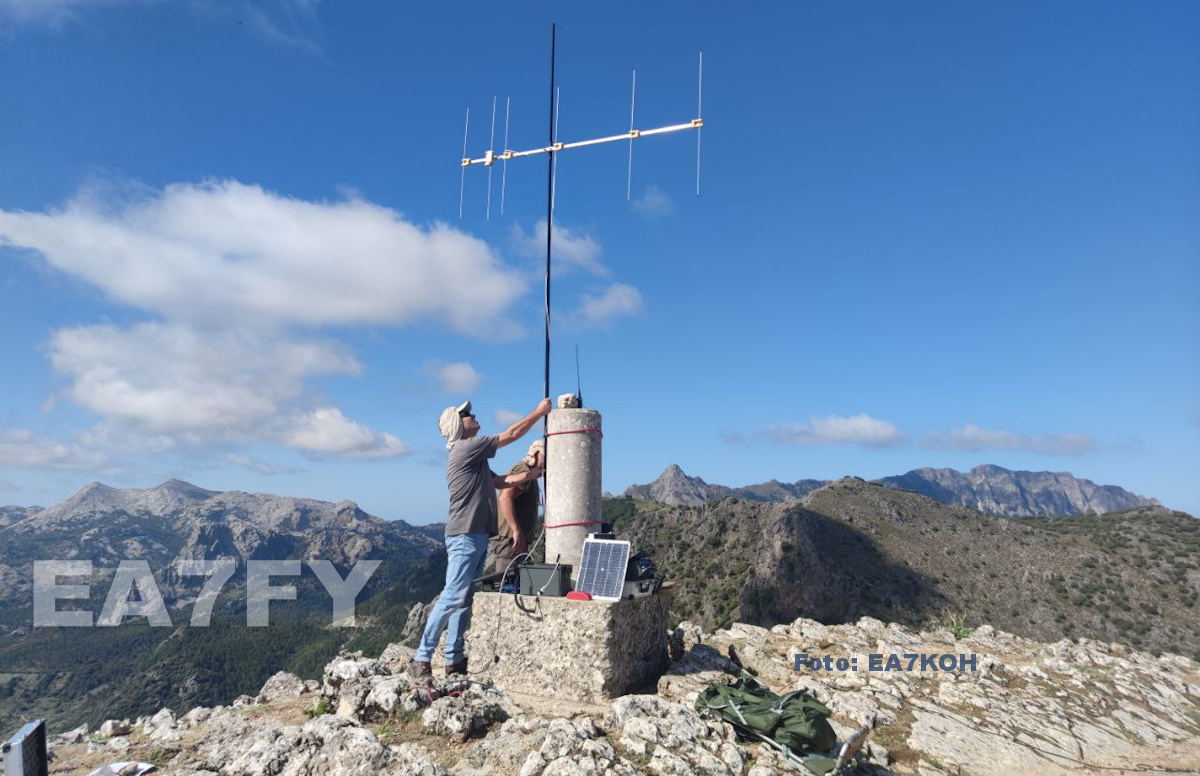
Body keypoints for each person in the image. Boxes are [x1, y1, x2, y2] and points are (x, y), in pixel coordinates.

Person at [409, 396, 552, 681]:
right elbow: (511, 434)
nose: (473, 416)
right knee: (452, 596)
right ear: (457, 426)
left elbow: (500, 482)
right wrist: (539, 412)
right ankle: (421, 659)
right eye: (467, 415)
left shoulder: (473, 459)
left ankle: (454, 660)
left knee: (463, 599)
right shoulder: (466, 447)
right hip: (465, 535)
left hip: (473, 535)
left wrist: (533, 473)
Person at [484, 439, 545, 578]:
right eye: (544, 456)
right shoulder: (523, 470)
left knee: (513, 582)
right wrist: (517, 531)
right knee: (505, 583)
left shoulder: (530, 473)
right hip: (510, 540)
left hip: (515, 539)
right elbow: (504, 498)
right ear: (535, 454)